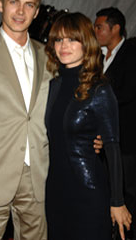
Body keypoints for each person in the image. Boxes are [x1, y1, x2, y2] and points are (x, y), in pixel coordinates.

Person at [0, 0, 102, 240]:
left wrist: (92, 134)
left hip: (38, 180)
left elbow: (69, 104)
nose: (20, 11)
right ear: (0, 4)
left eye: (29, 4)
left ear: (36, 11)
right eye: (14, 1)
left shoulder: (48, 56)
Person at [45, 12, 132, 240]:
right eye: (59, 39)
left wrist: (117, 201)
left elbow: (112, 147)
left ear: (86, 43)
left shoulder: (100, 88)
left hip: (89, 192)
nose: (64, 46)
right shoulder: (54, 85)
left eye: (72, 39)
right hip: (55, 191)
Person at [94, 7, 136, 240]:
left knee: (128, 192)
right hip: (102, 141)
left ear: (116, 28)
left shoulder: (131, 53)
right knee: (107, 189)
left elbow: (126, 93)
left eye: (100, 27)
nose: (96, 31)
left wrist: (97, 105)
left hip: (126, 139)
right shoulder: (98, 56)